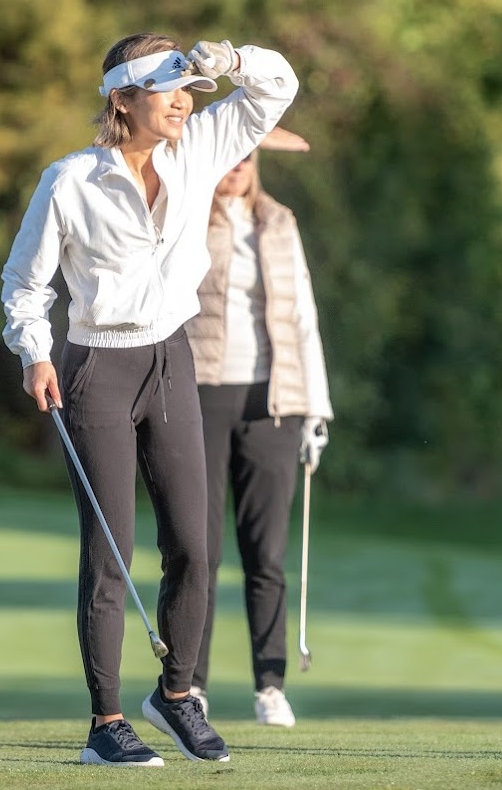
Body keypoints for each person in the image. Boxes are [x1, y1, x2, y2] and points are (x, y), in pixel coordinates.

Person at [1, 33, 297, 766]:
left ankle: (175, 695)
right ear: (120, 98)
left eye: (185, 86)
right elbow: (25, 284)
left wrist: (227, 62)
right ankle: (105, 725)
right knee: (111, 554)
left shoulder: (197, 145)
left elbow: (276, 88)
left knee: (195, 547)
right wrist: (35, 352)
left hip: (171, 357)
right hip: (95, 365)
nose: (181, 100)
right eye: (165, 87)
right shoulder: (69, 180)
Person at [183, 126, 332, 728]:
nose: (239, 165)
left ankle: (270, 683)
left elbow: (303, 315)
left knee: (265, 553)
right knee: (199, 550)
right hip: (201, 393)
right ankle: (188, 685)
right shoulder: (186, 216)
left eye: (248, 155)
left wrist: (315, 409)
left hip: (273, 402)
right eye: (229, 154)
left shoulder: (279, 221)